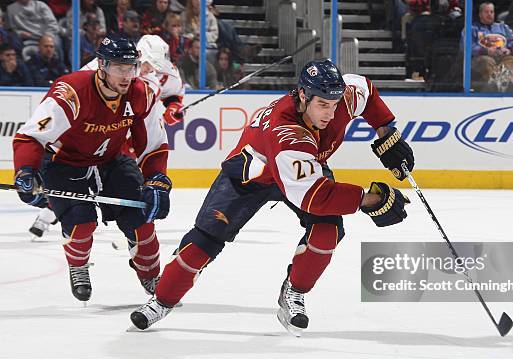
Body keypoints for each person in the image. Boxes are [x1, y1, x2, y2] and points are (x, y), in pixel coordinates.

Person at [129, 59, 414, 336]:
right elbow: (315, 197)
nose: (330, 113)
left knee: (326, 232)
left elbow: (366, 90)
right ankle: (161, 300)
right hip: (252, 174)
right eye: (322, 105)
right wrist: (368, 199)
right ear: (303, 96)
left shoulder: (341, 98)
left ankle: (294, 293)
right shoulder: (287, 131)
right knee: (205, 239)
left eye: (334, 104)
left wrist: (386, 132)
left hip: (303, 168)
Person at [13, 35, 171, 303]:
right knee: (81, 223)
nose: (126, 75)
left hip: (112, 160)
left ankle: (151, 273)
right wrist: (26, 171)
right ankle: (78, 265)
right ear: (102, 65)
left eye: (131, 67)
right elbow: (30, 137)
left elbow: (153, 145)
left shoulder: (141, 94)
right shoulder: (71, 93)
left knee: (141, 221)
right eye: (119, 68)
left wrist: (157, 179)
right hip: (64, 163)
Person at [28, 34, 184, 238]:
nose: (149, 70)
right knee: (73, 180)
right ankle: (51, 212)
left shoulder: (164, 73)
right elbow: (78, 98)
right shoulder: (100, 68)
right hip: (98, 129)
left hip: (130, 126)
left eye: (154, 67)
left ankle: (134, 225)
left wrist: (173, 109)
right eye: (146, 64)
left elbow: (174, 96)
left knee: (131, 179)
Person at [466, 2, 513, 92]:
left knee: (511, 59)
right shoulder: (472, 28)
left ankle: (502, 88)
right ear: (480, 14)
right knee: (488, 60)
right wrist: (486, 51)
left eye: (491, 12)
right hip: (479, 59)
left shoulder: (503, 27)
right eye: (486, 12)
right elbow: (467, 46)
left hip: (501, 58)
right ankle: (494, 89)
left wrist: (508, 50)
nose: (490, 14)